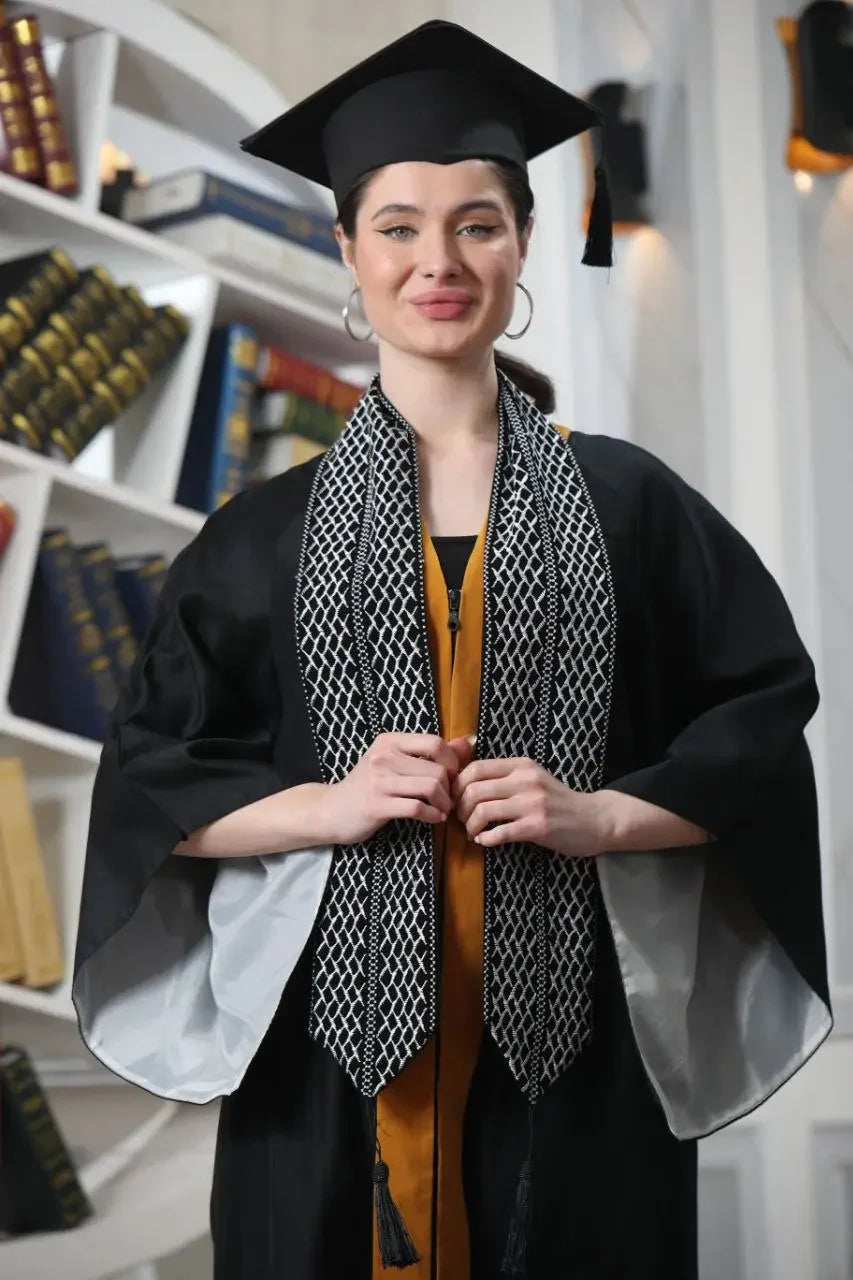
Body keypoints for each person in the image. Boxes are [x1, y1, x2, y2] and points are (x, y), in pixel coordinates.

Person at [71, 18, 832, 1280]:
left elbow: (759, 724)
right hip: (322, 1072)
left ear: (522, 242)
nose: (440, 259)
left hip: (581, 1064)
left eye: (476, 222)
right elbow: (151, 783)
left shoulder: (631, 504)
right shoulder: (260, 533)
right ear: (348, 251)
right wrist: (327, 800)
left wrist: (599, 814)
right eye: (399, 225)